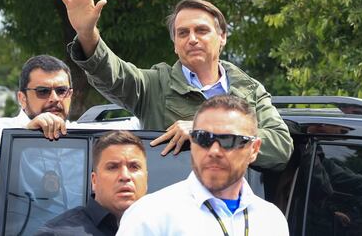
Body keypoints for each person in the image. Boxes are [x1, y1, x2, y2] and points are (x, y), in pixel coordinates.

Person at [56, 0, 293, 170]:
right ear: (175, 44)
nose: (192, 39)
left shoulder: (250, 90)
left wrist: (208, 131)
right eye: (182, 33)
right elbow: (112, 74)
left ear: (222, 37)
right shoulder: (154, 85)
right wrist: (87, 33)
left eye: (201, 30)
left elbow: (280, 147)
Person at [116, 95, 289, 235]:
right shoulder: (150, 215)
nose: (214, 151)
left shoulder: (271, 219)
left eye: (228, 140)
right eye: (203, 138)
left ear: (254, 149)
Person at [0, 55, 74, 236]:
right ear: (22, 98)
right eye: (43, 91)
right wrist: (23, 136)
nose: (54, 98)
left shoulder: (77, 137)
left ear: (70, 95)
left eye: (61, 90)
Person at [35, 130, 148, 236]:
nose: (125, 176)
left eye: (134, 167)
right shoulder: (56, 233)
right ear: (94, 181)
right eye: (113, 167)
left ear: (146, 178)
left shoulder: (163, 228)